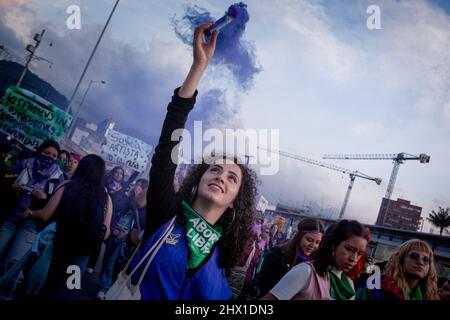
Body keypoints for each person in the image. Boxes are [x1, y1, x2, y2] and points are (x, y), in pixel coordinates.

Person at [126, 22, 258, 300]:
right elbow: (169, 142)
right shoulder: (167, 212)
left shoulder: (225, 253)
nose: (221, 177)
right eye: (215, 170)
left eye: (232, 178)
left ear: (235, 200)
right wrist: (199, 66)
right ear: (199, 179)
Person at [24, 154, 112, 299]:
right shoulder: (106, 198)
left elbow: (45, 215)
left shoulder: (66, 186)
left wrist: (31, 213)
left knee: (45, 284)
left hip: (57, 247)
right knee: (68, 290)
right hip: (83, 253)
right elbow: (106, 233)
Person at [0, 140, 64, 275]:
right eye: (47, 153)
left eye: (54, 156)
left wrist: (45, 196)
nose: (50, 157)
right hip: (11, 216)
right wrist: (12, 186)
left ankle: (6, 293)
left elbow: (57, 202)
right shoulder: (25, 164)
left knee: (13, 264)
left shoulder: (58, 176)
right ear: (40, 151)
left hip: (31, 224)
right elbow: (6, 179)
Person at [261, 220, 368, 300]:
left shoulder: (349, 285)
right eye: (349, 249)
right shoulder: (306, 272)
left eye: (359, 254)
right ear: (334, 245)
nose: (353, 258)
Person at [96, 178, 149, 299]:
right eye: (137, 185)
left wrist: (136, 199)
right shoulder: (126, 196)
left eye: (141, 187)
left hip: (125, 239)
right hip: (114, 231)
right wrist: (129, 195)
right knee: (107, 258)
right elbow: (117, 206)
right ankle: (103, 283)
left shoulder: (144, 207)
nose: (137, 188)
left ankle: (105, 288)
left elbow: (140, 219)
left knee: (112, 263)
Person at [257, 218, 324, 297]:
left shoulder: (314, 263)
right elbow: (263, 285)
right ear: (299, 236)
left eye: (317, 242)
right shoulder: (277, 254)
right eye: (309, 240)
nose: (313, 245)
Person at [356, 239, 440, 300]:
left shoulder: (429, 295)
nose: (420, 262)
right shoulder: (376, 287)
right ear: (401, 259)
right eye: (414, 256)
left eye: (426, 259)